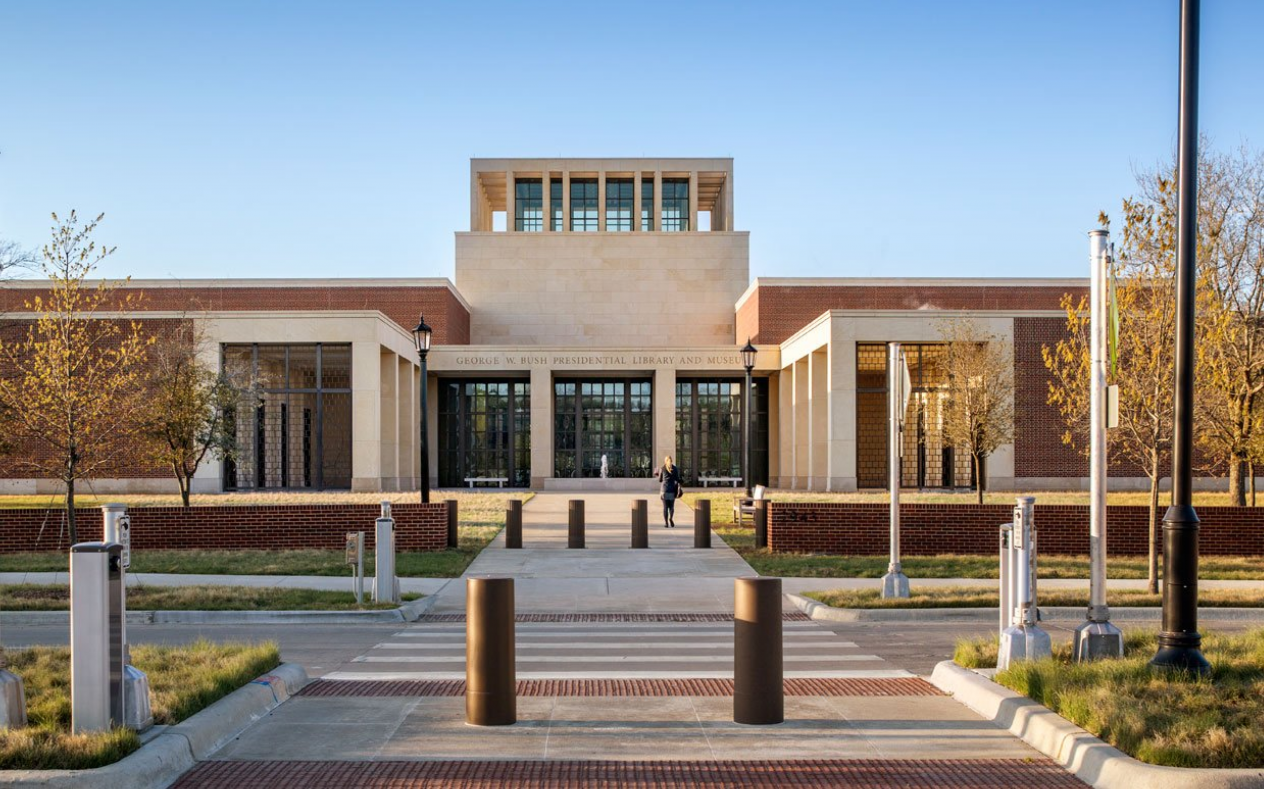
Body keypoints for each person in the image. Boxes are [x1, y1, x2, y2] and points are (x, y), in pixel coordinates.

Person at [656, 455, 683, 528]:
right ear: (671, 461)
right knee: (671, 507)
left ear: (665, 461)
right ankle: (671, 518)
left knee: (665, 508)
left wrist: (657, 474)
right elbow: (677, 479)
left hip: (664, 490)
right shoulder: (675, 469)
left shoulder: (662, 468)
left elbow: (660, 480)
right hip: (672, 490)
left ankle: (666, 523)